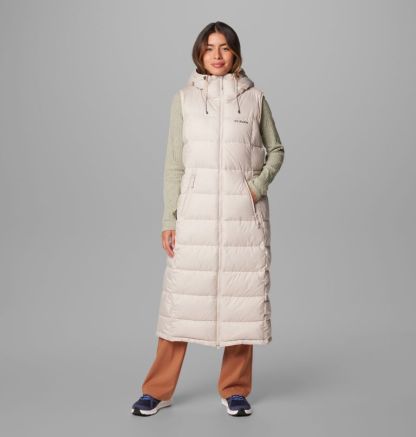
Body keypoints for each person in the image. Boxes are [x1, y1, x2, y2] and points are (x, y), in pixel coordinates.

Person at [131, 21, 285, 417]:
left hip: (242, 218)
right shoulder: (183, 100)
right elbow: (173, 165)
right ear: (199, 53)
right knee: (179, 305)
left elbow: (276, 150)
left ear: (235, 53)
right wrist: (169, 219)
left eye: (225, 48)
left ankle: (235, 389)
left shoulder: (255, 98)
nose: (217, 55)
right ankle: (157, 390)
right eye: (209, 47)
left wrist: (256, 187)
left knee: (241, 303)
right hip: (195, 218)